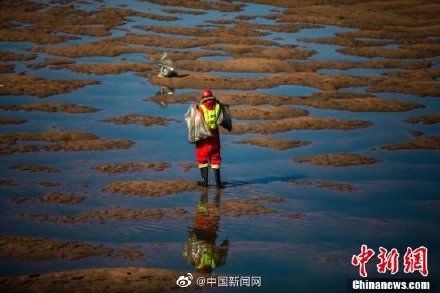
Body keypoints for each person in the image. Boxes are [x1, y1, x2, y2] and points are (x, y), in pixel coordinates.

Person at [183, 189, 229, 274]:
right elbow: (186, 247)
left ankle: (210, 194)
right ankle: (206, 193)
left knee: (212, 212)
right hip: (199, 232)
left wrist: (226, 242)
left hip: (209, 233)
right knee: (202, 212)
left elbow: (225, 248)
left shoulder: (216, 263)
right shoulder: (191, 260)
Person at [195, 88, 225, 189]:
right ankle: (218, 184)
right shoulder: (217, 106)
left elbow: (196, 123)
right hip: (215, 137)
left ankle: (205, 182)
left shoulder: (201, 108)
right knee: (215, 158)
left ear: (203, 97)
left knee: (202, 159)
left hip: (204, 138)